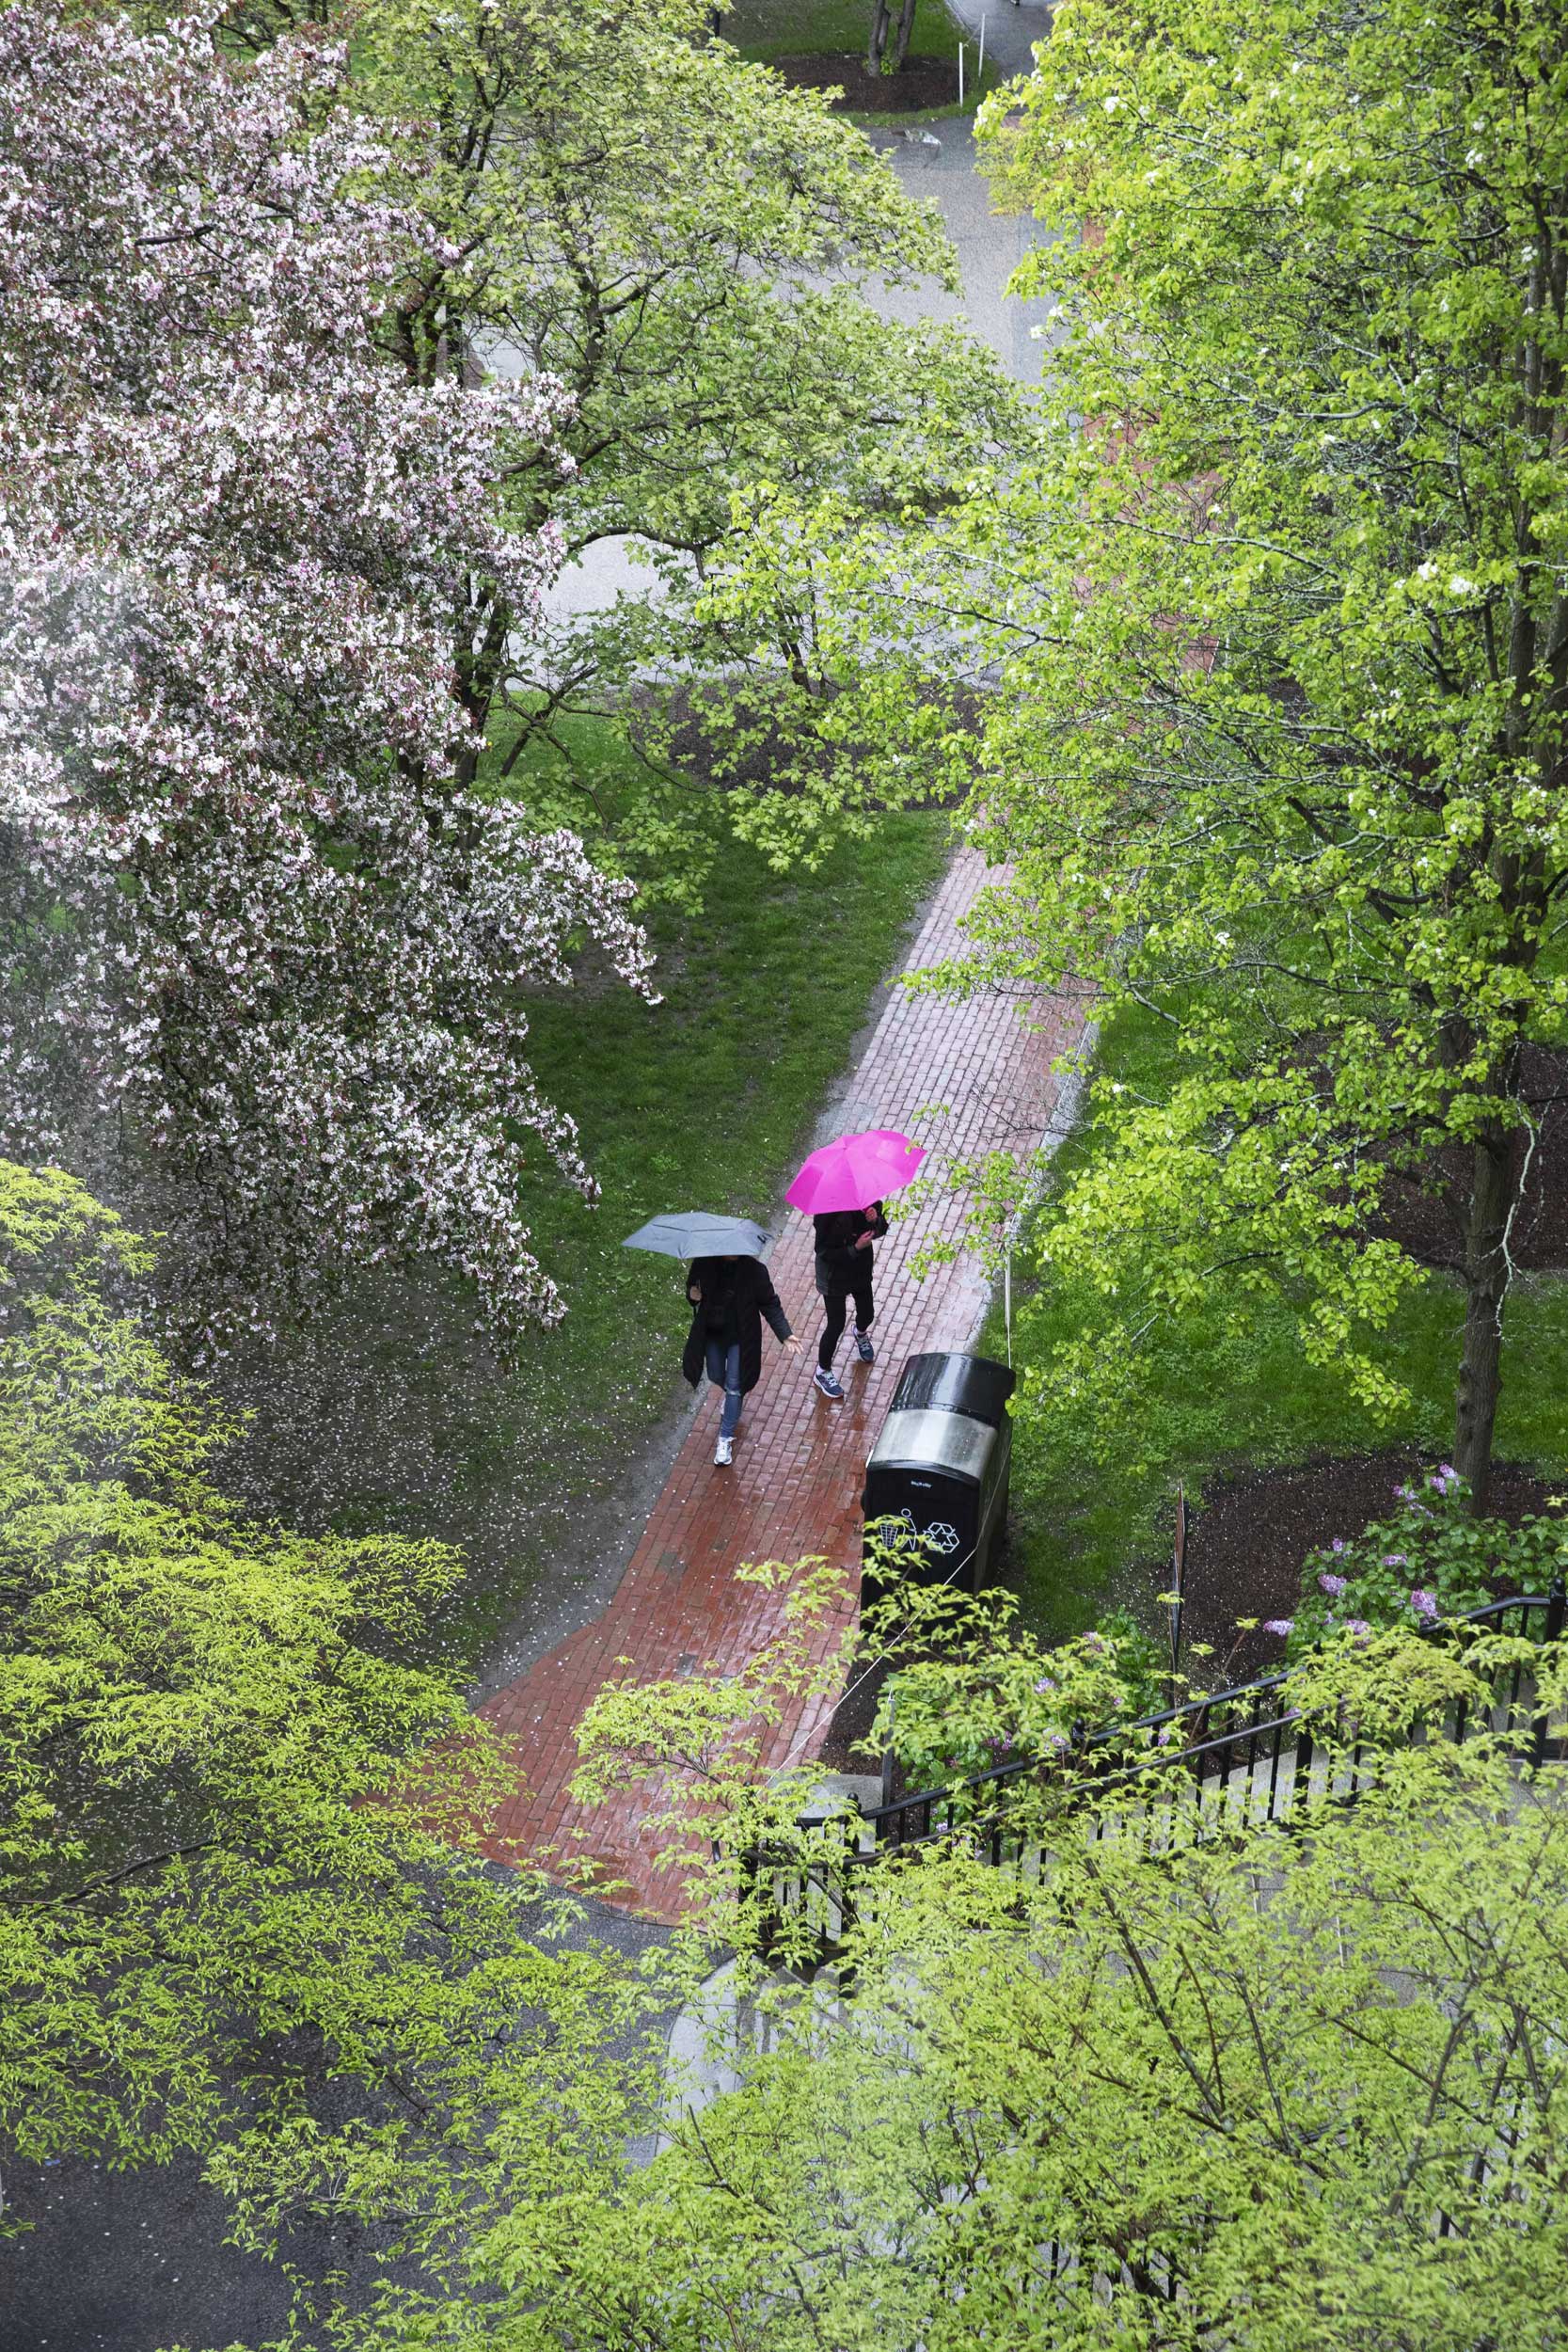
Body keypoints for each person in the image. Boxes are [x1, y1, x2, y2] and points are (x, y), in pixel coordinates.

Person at [682, 1253, 799, 1466]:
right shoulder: (703, 1264)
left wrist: (785, 1334)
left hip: (741, 1337)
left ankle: (725, 1438)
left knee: (735, 1385)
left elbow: (770, 1304)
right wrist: (692, 1294)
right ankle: (732, 1400)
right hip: (713, 1333)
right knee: (716, 1375)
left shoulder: (755, 1271)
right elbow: (692, 1289)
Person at [811, 1198, 888, 1400]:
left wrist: (875, 1221)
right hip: (833, 1275)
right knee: (836, 1324)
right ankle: (822, 1371)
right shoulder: (826, 1213)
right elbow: (824, 1252)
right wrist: (856, 1248)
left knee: (867, 1313)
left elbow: (881, 1229)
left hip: (859, 1271)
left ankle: (860, 1333)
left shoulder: (869, 1199)